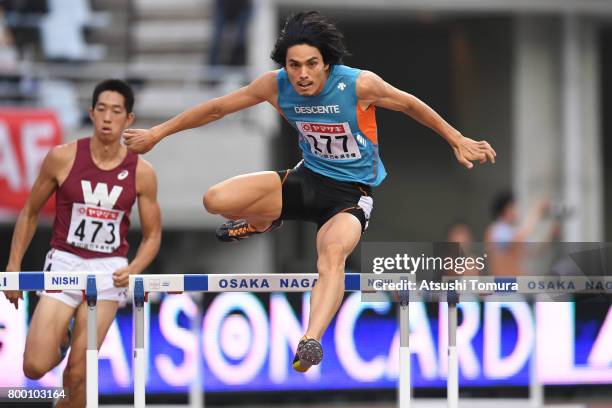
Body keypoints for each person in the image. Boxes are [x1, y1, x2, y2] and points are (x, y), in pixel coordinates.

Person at [123, 11, 496, 372]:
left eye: (311, 64)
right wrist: (158, 133)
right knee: (214, 200)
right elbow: (218, 108)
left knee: (331, 256)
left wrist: (456, 138)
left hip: (348, 198)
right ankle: (264, 220)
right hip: (306, 181)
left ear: (326, 63)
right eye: (293, 64)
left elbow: (410, 104)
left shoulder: (358, 85)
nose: (301, 75)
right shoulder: (275, 85)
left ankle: (310, 340)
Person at [3, 79, 161, 407]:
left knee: (76, 376)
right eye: (101, 109)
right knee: (33, 367)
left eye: (116, 111)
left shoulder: (141, 172)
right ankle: (60, 339)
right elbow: (30, 213)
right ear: (90, 113)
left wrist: (134, 268)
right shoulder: (62, 157)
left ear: (128, 119)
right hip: (64, 262)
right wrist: (13, 266)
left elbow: (152, 235)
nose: (107, 117)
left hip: (108, 271)